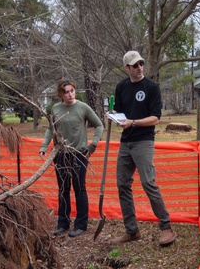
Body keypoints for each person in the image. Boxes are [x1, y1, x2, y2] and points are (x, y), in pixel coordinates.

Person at [110, 51, 175, 247]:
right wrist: (114, 116)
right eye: (134, 65)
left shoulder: (151, 87)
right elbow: (119, 111)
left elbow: (156, 118)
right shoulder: (121, 86)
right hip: (125, 141)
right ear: (127, 68)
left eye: (141, 63)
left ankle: (166, 227)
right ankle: (132, 230)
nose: (139, 68)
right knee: (122, 184)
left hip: (144, 141)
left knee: (148, 183)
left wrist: (133, 122)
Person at [39, 79, 104, 237]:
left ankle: (81, 225)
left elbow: (99, 125)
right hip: (61, 154)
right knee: (63, 189)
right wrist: (44, 146)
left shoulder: (82, 107)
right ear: (60, 94)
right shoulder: (56, 108)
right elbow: (50, 129)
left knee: (79, 189)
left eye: (72, 91)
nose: (70, 94)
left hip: (79, 154)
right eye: (66, 92)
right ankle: (63, 223)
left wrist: (93, 145)